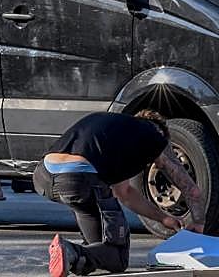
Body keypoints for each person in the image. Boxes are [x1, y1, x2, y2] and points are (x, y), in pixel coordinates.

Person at [36, 110, 206, 276]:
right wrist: (198, 223)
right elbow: (191, 189)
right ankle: (70, 250)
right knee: (117, 257)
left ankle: (74, 256)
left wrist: (164, 219)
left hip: (44, 176)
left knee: (99, 249)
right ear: (160, 132)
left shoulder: (114, 131)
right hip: (79, 179)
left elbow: (125, 193)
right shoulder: (154, 134)